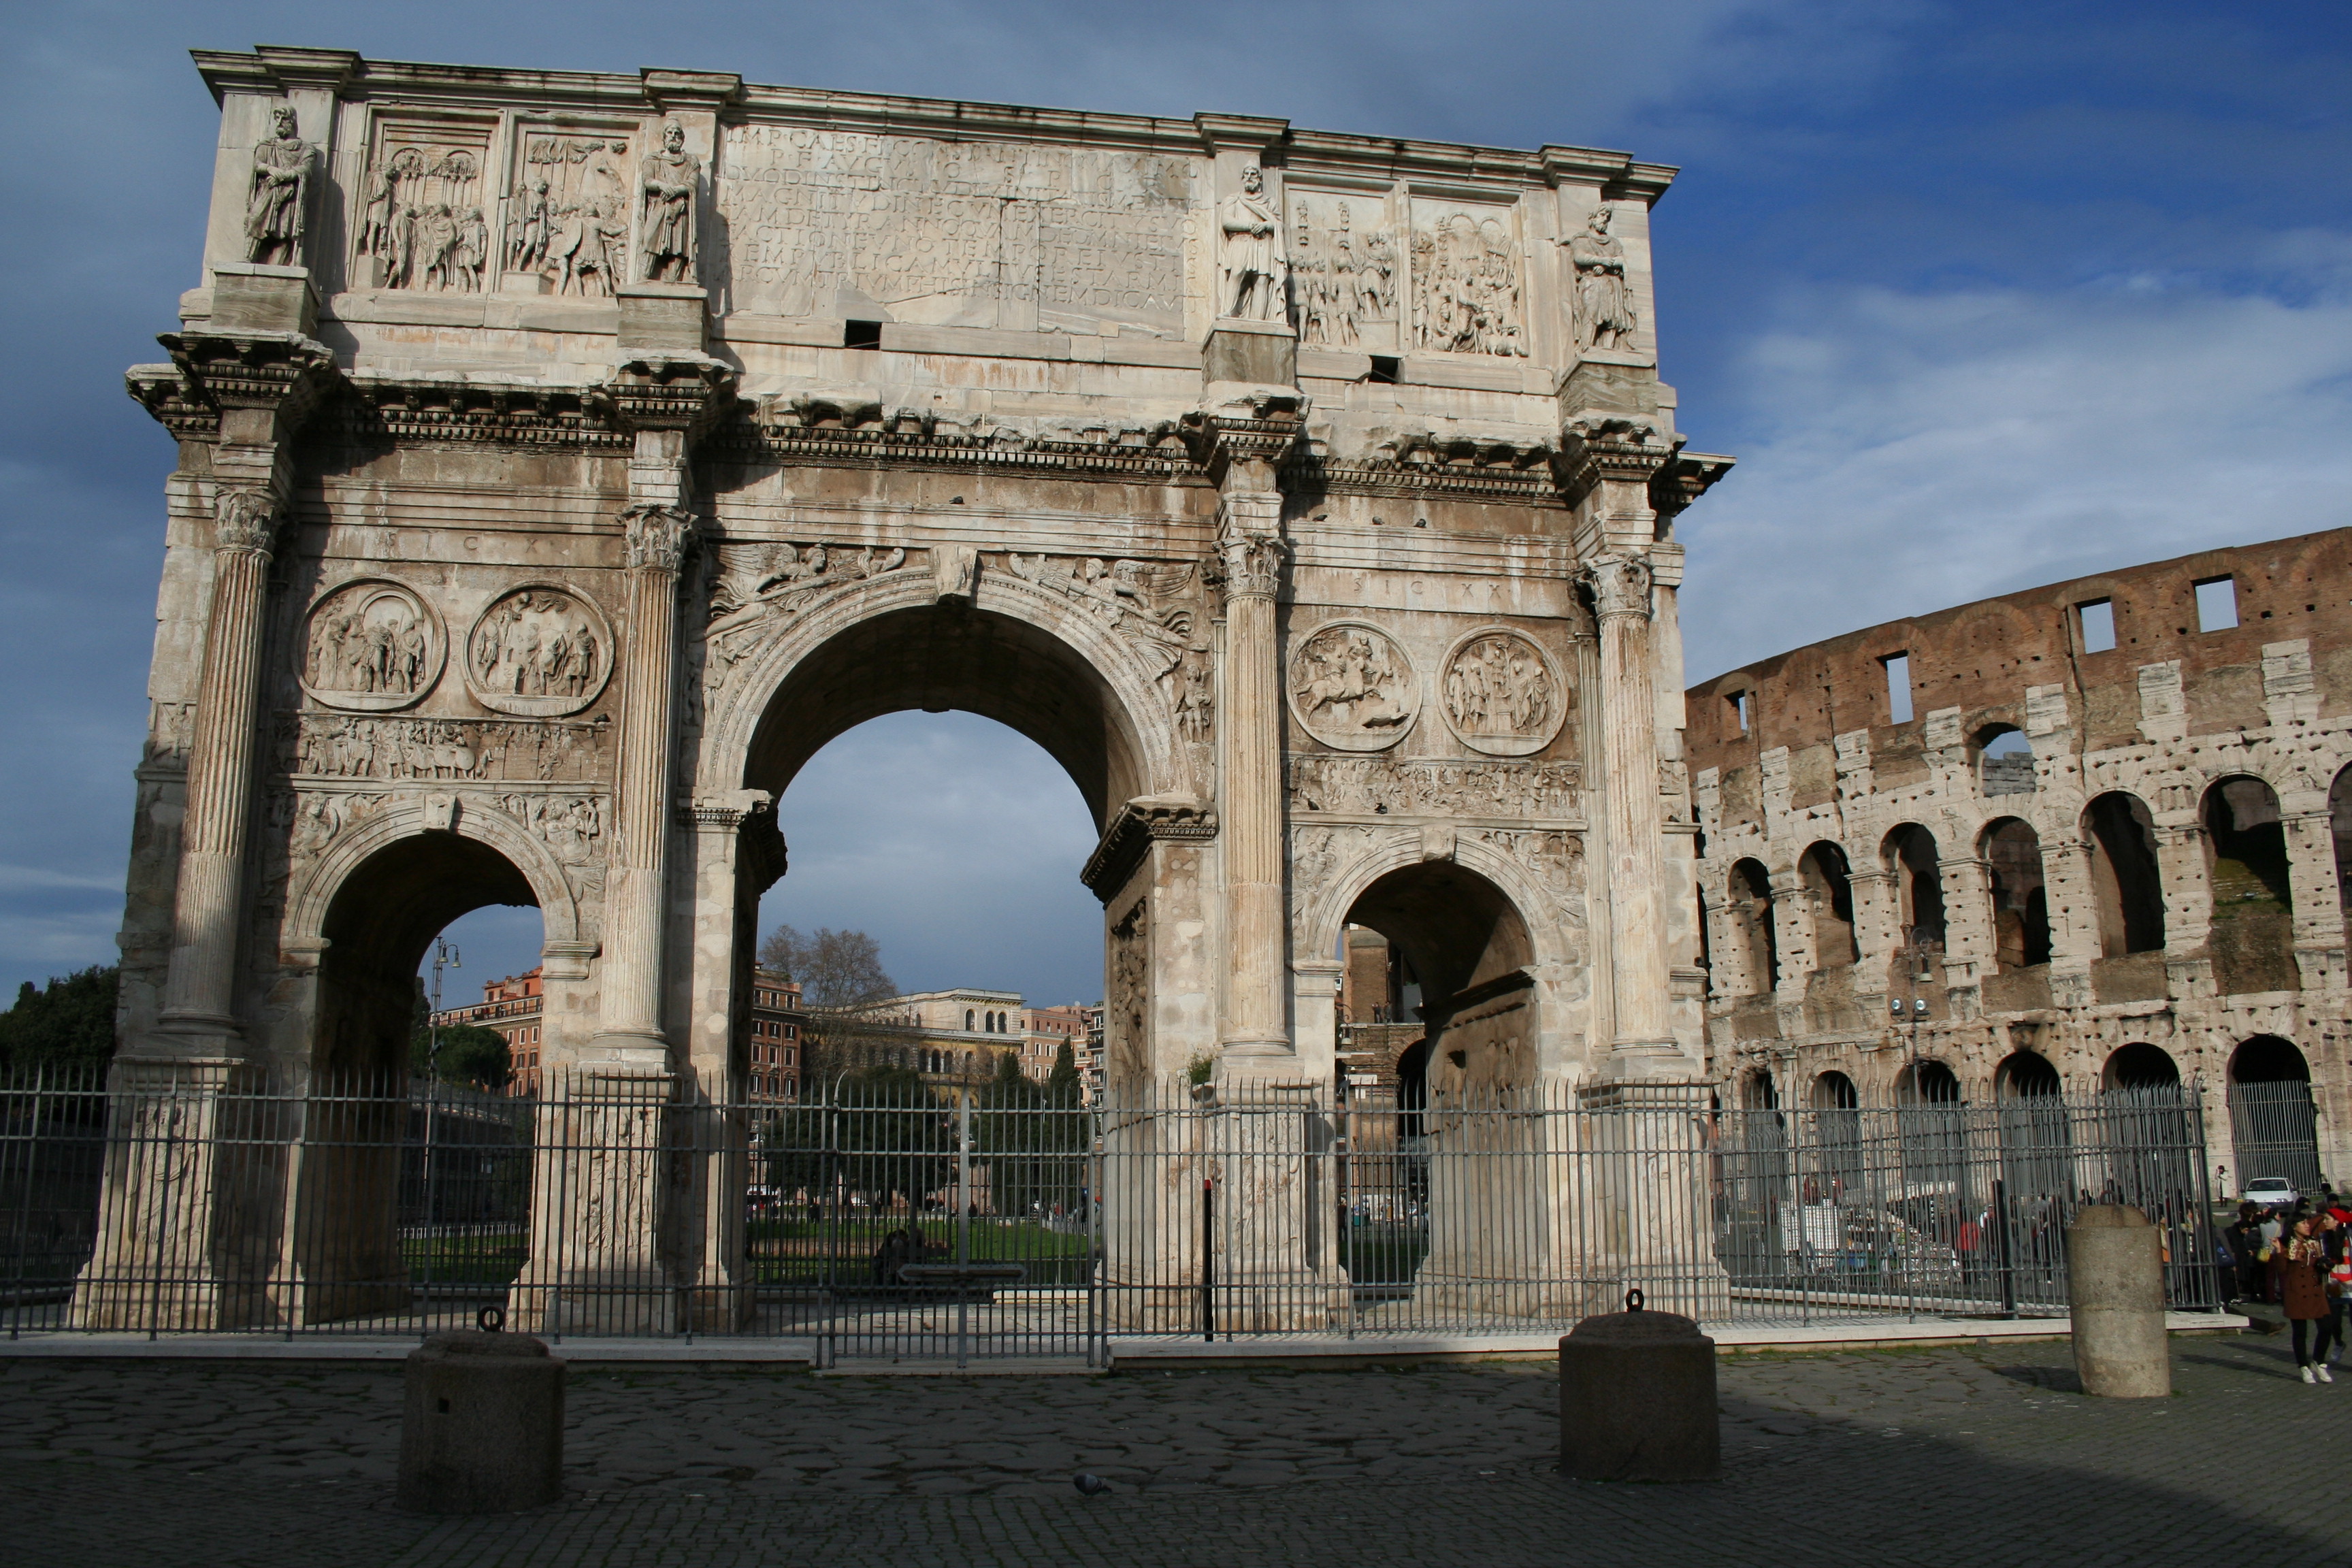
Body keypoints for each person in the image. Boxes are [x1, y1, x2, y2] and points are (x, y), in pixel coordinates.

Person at [2272, 1215, 2338, 1382]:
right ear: (2294, 1226)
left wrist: (2324, 1265)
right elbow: (2281, 1270)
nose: (2307, 1225)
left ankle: (2319, 1361)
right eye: (2303, 1223)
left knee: (2327, 1327)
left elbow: (2319, 1265)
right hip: (2296, 1292)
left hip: (2315, 1289)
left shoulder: (2314, 1243)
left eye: (2307, 1223)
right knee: (2300, 1332)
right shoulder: (2285, 1243)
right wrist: (2279, 1252)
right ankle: (2304, 1367)